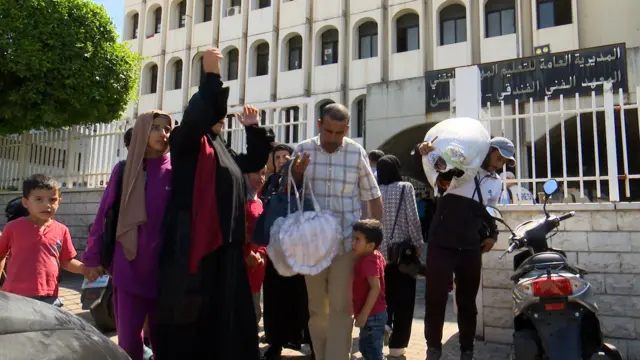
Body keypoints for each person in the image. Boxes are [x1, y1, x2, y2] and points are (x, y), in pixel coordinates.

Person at [155, 48, 275, 360]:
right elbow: (198, 118)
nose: (220, 120)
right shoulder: (186, 141)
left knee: (229, 321)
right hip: (194, 244)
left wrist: (251, 128)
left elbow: (254, 161)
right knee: (195, 319)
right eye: (216, 116)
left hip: (227, 247)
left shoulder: (221, 148)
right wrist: (211, 75)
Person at [290, 103, 383, 360]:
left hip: (346, 246)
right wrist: (296, 174)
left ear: (347, 130)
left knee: (342, 308)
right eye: (328, 131)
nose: (332, 138)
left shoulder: (355, 153)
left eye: (339, 133)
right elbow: (288, 193)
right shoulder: (303, 150)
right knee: (318, 311)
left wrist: (374, 240)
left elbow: (373, 196)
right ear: (319, 125)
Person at [83, 110, 174, 360]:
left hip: (165, 270)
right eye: (155, 127)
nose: (162, 134)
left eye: (167, 129)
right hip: (129, 266)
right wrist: (92, 258)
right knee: (129, 343)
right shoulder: (124, 170)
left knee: (165, 341)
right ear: (142, 130)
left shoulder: (176, 171)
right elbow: (104, 213)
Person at [416, 136, 514, 360]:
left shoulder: (496, 183)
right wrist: (423, 150)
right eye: (498, 157)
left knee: (467, 302)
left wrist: (493, 235)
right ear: (488, 150)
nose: (500, 164)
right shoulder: (460, 167)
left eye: (505, 162)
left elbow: (489, 213)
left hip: (470, 247)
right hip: (442, 243)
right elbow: (434, 170)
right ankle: (433, 349)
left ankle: (467, 351)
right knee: (435, 298)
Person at [0, 174, 89, 307]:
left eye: (52, 199)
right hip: (16, 296)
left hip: (49, 296)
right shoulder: (13, 228)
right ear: (26, 202)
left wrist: (85, 269)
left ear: (59, 201)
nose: (46, 205)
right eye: (39, 199)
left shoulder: (62, 230)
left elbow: (66, 261)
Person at [261, 143, 313, 360]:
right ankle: (276, 343)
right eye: (279, 156)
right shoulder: (268, 183)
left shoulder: (304, 182)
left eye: (287, 156)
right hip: (275, 252)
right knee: (275, 299)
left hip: (299, 251)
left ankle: (310, 343)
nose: (283, 160)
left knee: (303, 298)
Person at [376, 155, 424, 357]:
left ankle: (385, 324)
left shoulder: (374, 190)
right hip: (402, 253)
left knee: (382, 295)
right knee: (405, 300)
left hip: (379, 254)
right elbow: (412, 218)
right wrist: (418, 243)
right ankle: (397, 348)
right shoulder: (405, 188)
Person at [351, 219, 387, 360]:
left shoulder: (368, 261)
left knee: (372, 353)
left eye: (358, 239)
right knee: (366, 348)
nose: (353, 243)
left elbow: (375, 288)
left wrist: (364, 314)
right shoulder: (375, 255)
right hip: (374, 315)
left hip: (372, 316)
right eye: (353, 238)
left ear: (371, 245)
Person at [244, 166, 267, 324]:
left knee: (254, 313)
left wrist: (261, 253)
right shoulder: (237, 201)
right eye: (256, 172)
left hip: (256, 268)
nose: (261, 178)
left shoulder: (259, 202)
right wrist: (246, 253)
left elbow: (264, 235)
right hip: (241, 266)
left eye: (263, 173)